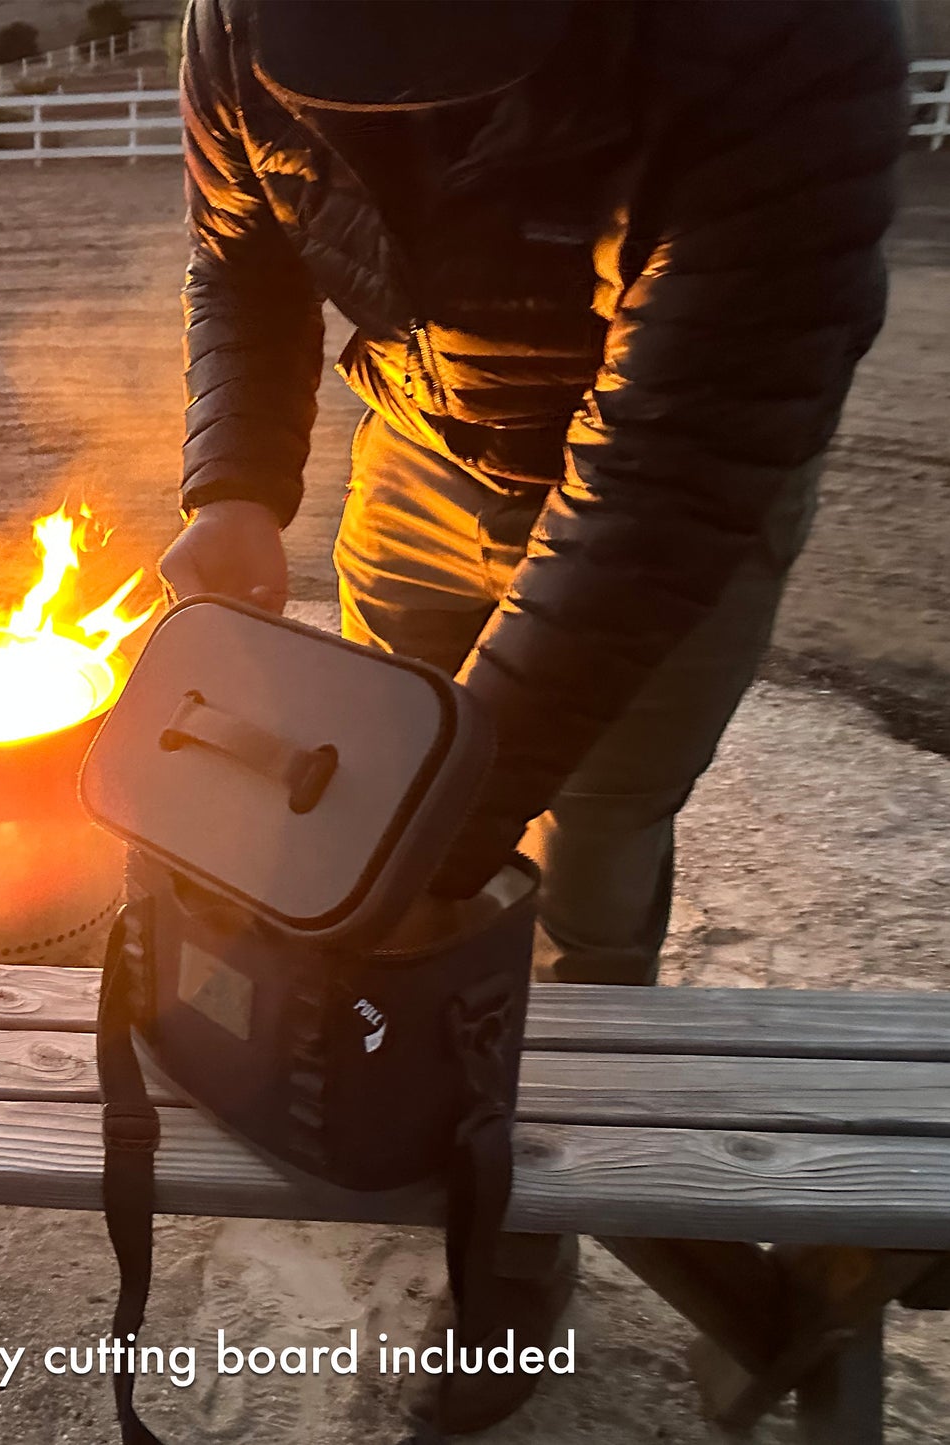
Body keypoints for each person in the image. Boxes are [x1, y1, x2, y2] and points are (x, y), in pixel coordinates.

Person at [156, 0, 906, 1432]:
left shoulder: (779, 38)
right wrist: (236, 481)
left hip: (669, 482)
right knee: (375, 811)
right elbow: (239, 257)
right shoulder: (234, 26)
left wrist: (444, 812)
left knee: (580, 870)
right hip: (423, 455)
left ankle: (520, 1246)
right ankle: (403, 1097)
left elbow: (662, 477)